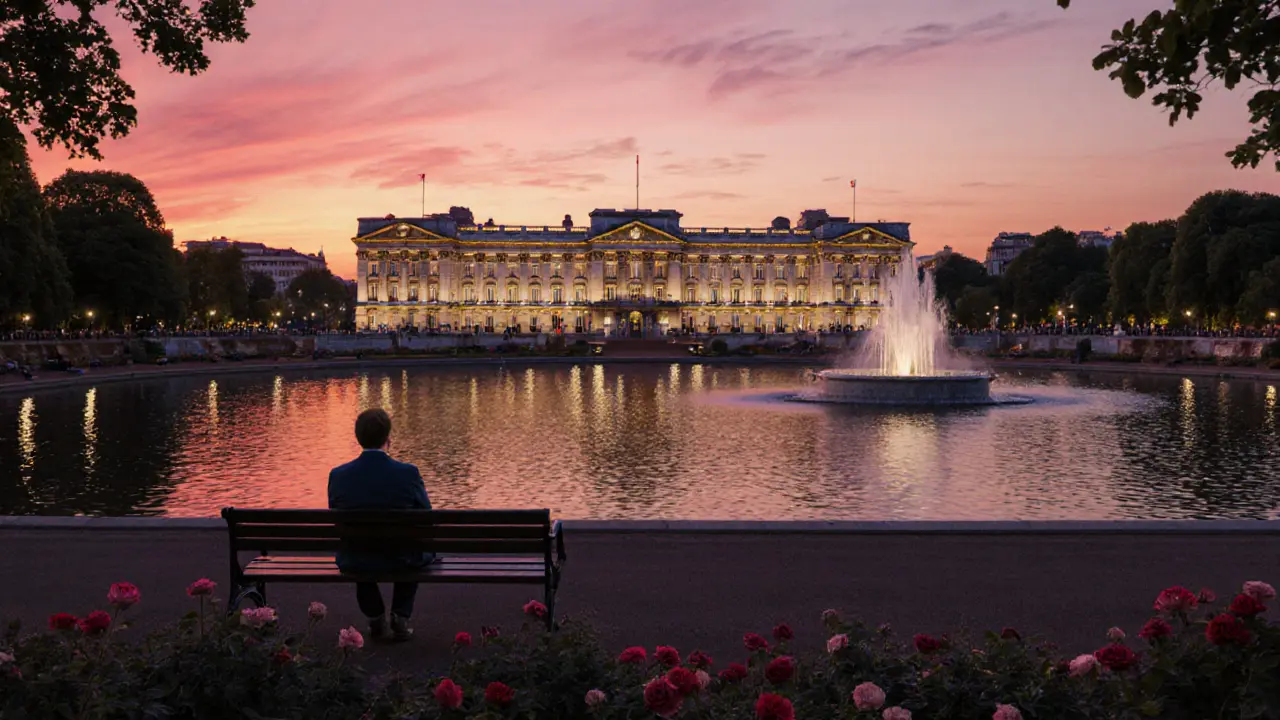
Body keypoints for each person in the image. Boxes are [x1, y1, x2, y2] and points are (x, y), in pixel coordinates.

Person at [328, 408, 432, 641]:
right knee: (414, 549)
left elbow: (337, 517)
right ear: (388, 438)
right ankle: (400, 615)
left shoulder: (338, 475)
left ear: (358, 438)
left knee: (359, 550)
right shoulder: (408, 473)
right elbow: (426, 515)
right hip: (401, 557)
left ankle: (375, 616)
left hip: (357, 556)